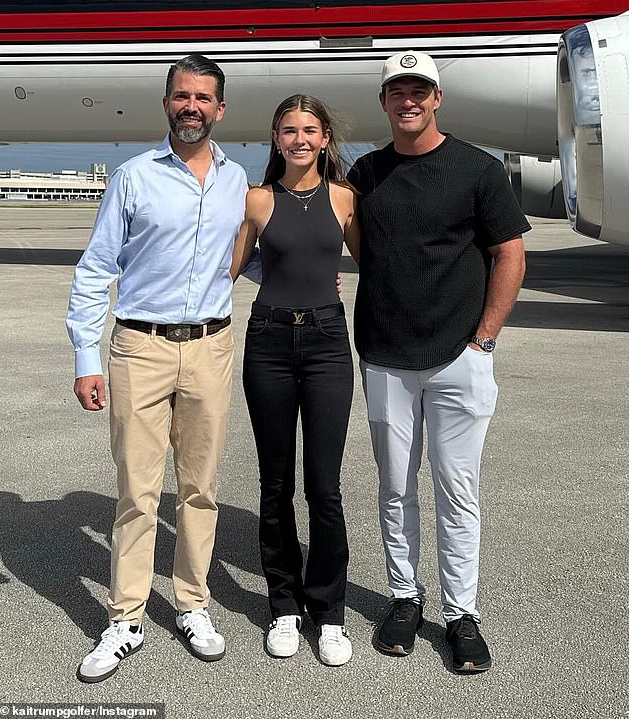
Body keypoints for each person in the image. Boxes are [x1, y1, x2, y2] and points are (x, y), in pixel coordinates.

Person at [66, 54, 249, 683]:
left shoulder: (236, 179)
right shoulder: (133, 177)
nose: (191, 106)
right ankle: (126, 617)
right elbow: (96, 269)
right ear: (166, 103)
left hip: (210, 347)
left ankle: (193, 603)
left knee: (199, 488)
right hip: (139, 348)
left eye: (203, 97)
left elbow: (244, 256)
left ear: (220, 109)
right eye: (181, 96)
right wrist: (87, 357)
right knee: (137, 491)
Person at [347, 51, 529, 672]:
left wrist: (484, 339)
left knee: (457, 490)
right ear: (384, 101)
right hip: (386, 358)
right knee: (395, 488)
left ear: (437, 99)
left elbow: (510, 255)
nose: (408, 101)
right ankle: (404, 599)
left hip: (459, 355)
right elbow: (354, 244)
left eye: (419, 91)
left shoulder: (477, 169)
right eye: (397, 91)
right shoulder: (366, 174)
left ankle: (461, 613)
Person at [230, 94, 359, 666]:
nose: (300, 140)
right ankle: (284, 604)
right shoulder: (256, 201)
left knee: (324, 487)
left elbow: (379, 268)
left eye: (310, 130)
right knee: (275, 482)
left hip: (330, 344)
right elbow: (226, 269)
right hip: (270, 342)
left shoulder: (345, 199)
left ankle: (328, 611)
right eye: (289, 131)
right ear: (275, 138)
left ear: (325, 138)